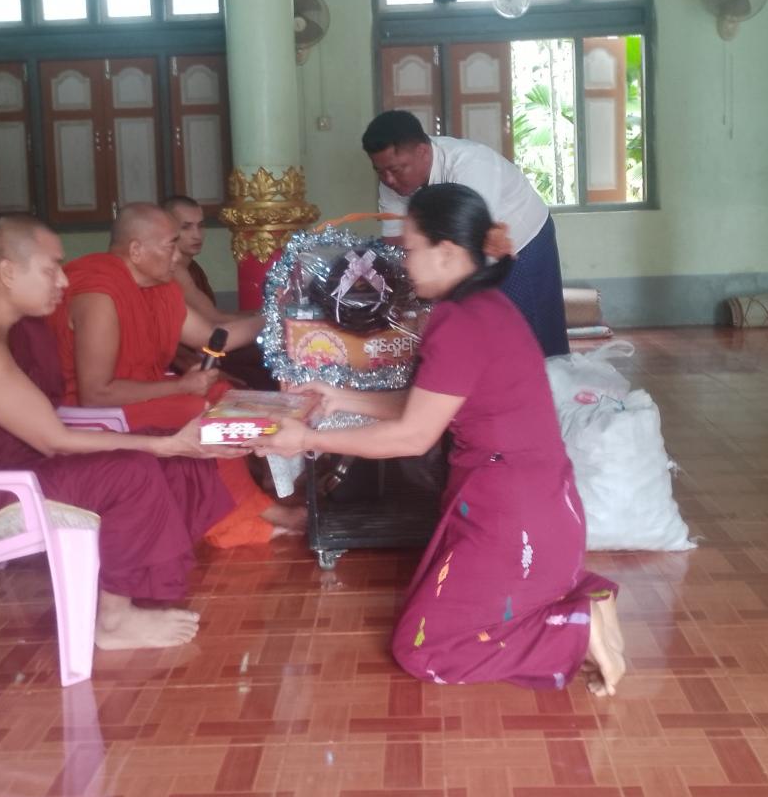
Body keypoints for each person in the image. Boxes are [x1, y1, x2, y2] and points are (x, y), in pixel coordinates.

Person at [256, 183, 625, 695]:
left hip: (512, 514)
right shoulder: (486, 307)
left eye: (410, 249)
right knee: (432, 615)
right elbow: (430, 406)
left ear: (447, 251)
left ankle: (575, 629)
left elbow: (413, 435)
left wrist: (303, 440)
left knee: (424, 650)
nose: (403, 263)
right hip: (537, 505)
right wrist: (339, 398)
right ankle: (585, 606)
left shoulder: (459, 320)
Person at [0, 215, 242, 649]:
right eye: (51, 268)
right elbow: (53, 439)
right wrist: (165, 444)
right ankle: (113, 621)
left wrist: (167, 445)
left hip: (10, 465)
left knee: (172, 459)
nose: (63, 280)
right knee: (133, 471)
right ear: (8, 272)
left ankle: (134, 586)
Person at [45, 202, 304, 545]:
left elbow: (214, 337)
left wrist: (279, 317)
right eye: (171, 246)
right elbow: (96, 393)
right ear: (136, 251)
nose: (178, 256)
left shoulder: (157, 289)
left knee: (224, 395)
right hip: (88, 408)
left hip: (132, 396)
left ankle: (254, 507)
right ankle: (244, 520)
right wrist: (181, 386)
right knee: (202, 412)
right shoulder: (99, 295)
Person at [364, 110, 570, 358]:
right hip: (468, 251)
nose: (389, 179)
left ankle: (552, 380)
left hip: (521, 239)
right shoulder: (391, 183)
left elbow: (470, 250)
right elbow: (395, 244)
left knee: (532, 332)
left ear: (423, 151)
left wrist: (437, 306)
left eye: (397, 169)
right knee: (483, 336)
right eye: (380, 171)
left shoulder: (471, 166)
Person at [163, 194, 276, 390]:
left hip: (205, 344)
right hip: (190, 359)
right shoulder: (171, 273)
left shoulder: (192, 268)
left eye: (201, 226)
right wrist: (272, 318)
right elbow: (213, 323)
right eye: (186, 227)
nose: (197, 235)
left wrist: (263, 315)